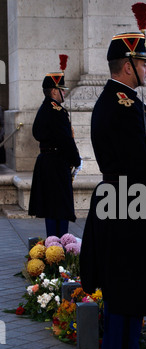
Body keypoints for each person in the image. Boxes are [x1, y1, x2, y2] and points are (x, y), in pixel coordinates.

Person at [79, 30, 146, 349]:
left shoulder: (117, 100)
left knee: (125, 283)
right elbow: (139, 161)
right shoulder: (122, 104)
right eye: (143, 63)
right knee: (128, 284)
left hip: (122, 198)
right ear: (128, 66)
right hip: (128, 201)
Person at [28, 71, 81, 237]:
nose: (64, 93)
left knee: (51, 208)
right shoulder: (57, 111)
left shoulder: (44, 108)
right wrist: (76, 159)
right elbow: (66, 139)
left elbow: (36, 132)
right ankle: (60, 249)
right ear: (53, 91)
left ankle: (52, 246)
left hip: (46, 161)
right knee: (61, 209)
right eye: (62, 89)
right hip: (57, 163)